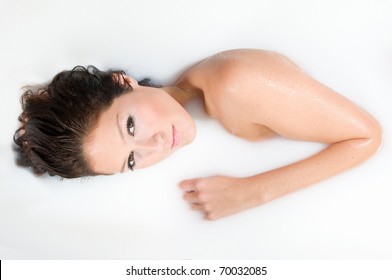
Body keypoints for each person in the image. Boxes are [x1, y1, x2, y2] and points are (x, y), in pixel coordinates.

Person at [13, 49, 383, 220]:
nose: (154, 146)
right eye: (131, 160)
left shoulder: (235, 83)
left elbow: (367, 136)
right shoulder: (189, 91)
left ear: (122, 82)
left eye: (130, 126)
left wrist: (250, 192)